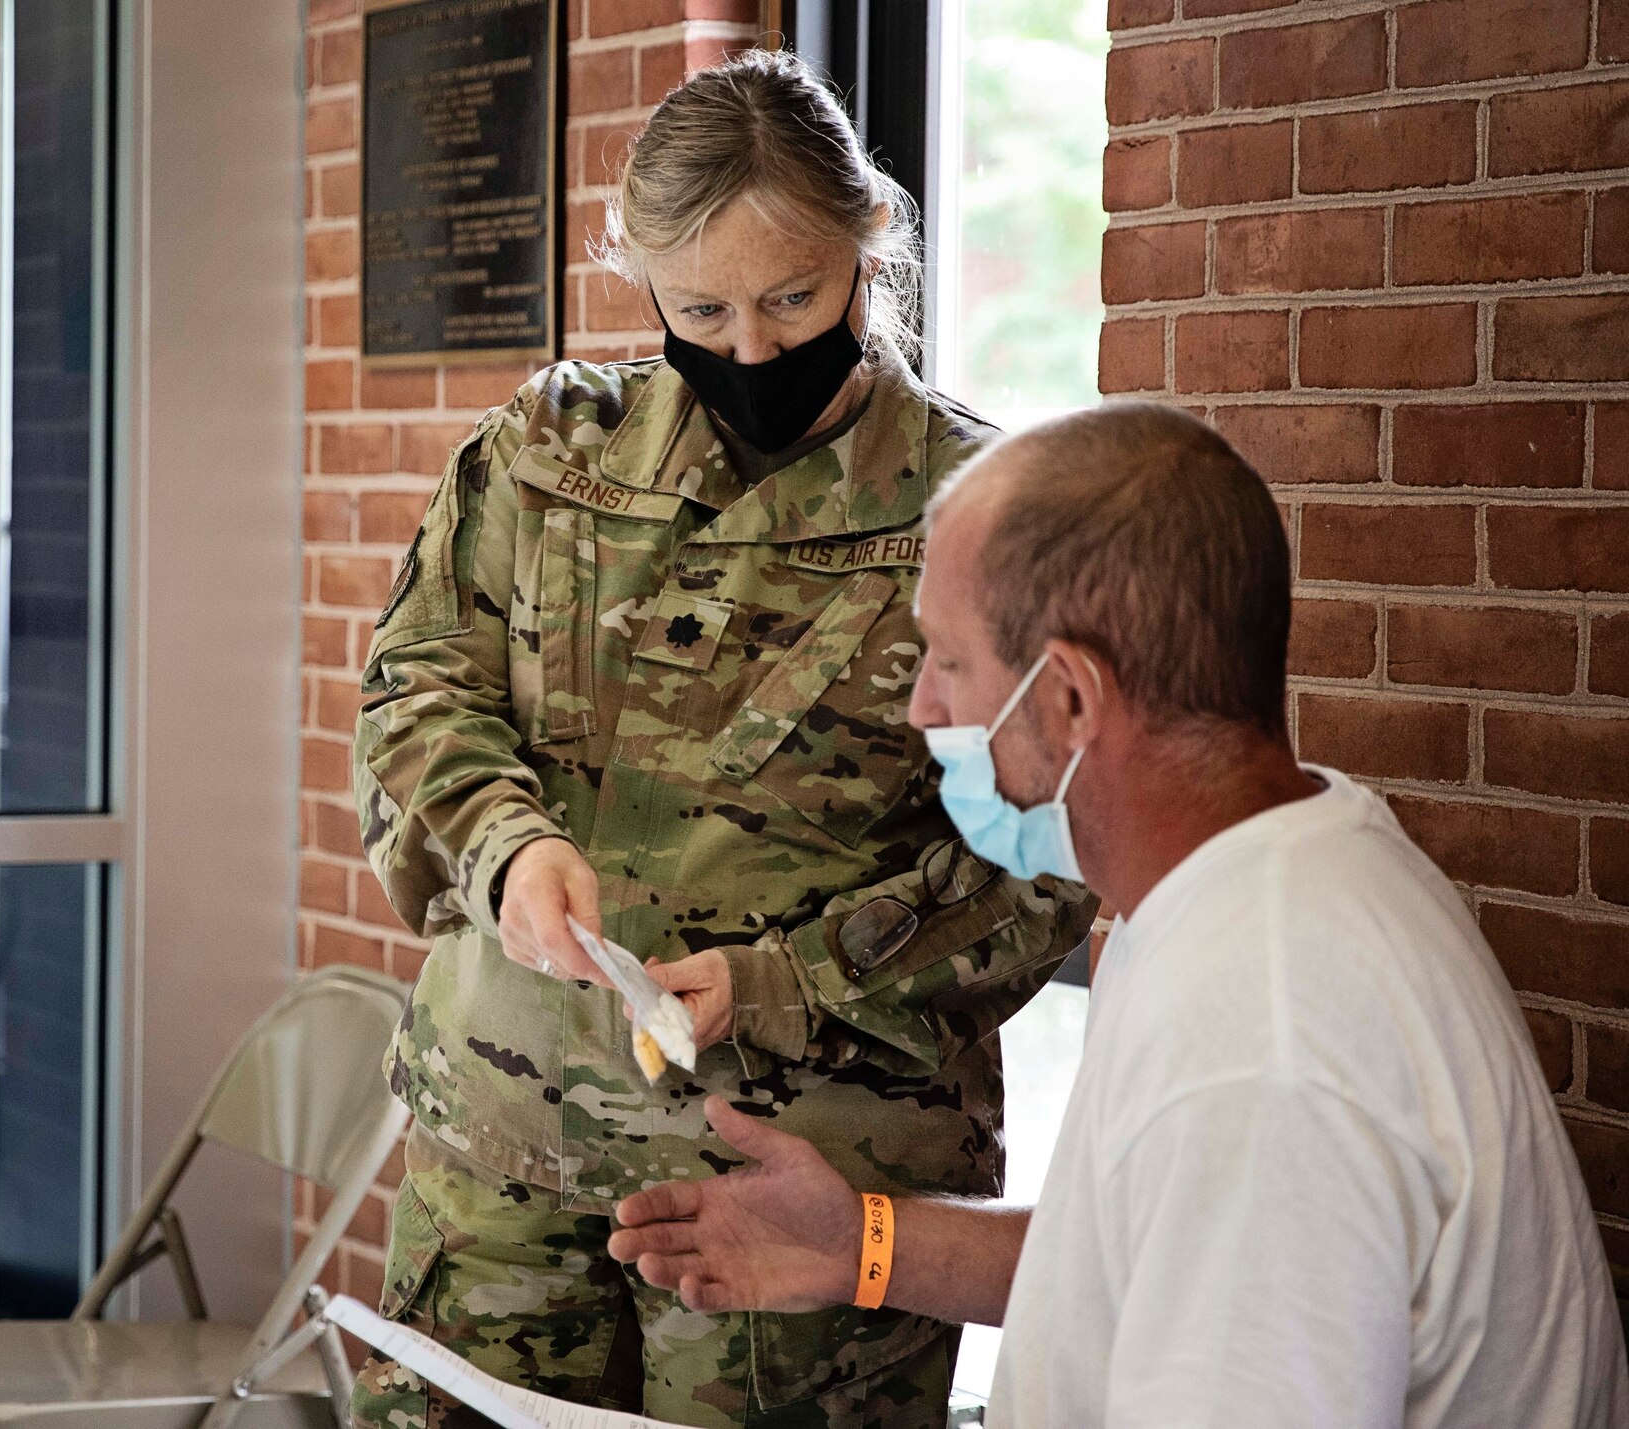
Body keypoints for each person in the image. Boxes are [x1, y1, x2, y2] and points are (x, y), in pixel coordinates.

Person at [607, 403, 1629, 1428]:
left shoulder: (1259, 1043)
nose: (921, 709)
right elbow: (1143, 1257)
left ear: (1069, 701)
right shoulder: (1253, 869)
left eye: (947, 662)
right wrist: (859, 1246)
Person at [351, 49, 1095, 1429]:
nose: (748, 349)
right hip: (504, 1157)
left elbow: (1047, 867)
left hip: (797, 1192)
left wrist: (782, 981)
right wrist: (505, 850)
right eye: (701, 307)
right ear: (640, 274)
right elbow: (416, 689)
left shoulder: (984, 507)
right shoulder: (544, 450)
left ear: (873, 246)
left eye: (792, 298)